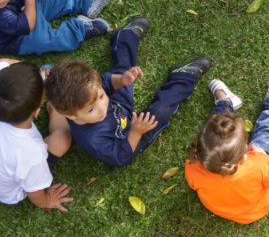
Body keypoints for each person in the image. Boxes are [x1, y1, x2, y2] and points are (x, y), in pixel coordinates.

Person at [44, 17, 210, 167]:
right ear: (72, 115)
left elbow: (107, 82)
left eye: (101, 96)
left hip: (120, 105)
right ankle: (182, 77)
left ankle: (125, 37)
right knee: (159, 113)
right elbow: (121, 158)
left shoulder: (91, 92)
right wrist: (136, 131)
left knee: (125, 72)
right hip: (129, 136)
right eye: (91, 109)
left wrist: (121, 80)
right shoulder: (93, 140)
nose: (102, 107)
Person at [0, 59, 74, 210]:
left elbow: (0, 62)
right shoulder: (32, 154)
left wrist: (28, 78)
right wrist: (47, 200)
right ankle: (56, 110)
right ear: (37, 111)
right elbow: (34, 192)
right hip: (8, 193)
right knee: (62, 139)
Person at [184, 72, 269, 224]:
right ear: (245, 152)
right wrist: (259, 154)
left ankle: (225, 102)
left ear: (200, 149)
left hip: (218, 208)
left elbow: (193, 184)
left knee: (218, 128)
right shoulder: (259, 165)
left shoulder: (192, 165)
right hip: (255, 210)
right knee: (266, 135)